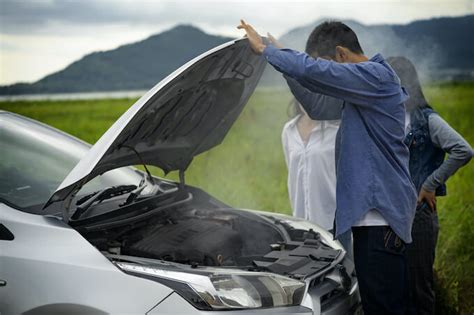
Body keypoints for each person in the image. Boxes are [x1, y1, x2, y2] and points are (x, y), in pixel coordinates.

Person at [238, 20, 417, 315]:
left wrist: (268, 51)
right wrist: (284, 64)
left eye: (330, 67)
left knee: (386, 308)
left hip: (380, 223)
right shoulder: (361, 93)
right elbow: (318, 107)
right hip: (371, 224)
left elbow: (316, 72)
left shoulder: (376, 76)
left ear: (341, 55)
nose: (331, 78)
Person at [387, 56, 472, 315]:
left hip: (418, 216)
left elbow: (463, 149)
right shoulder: (386, 117)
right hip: (389, 215)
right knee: (394, 288)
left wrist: (430, 184)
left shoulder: (425, 119)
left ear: (403, 83)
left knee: (419, 288)